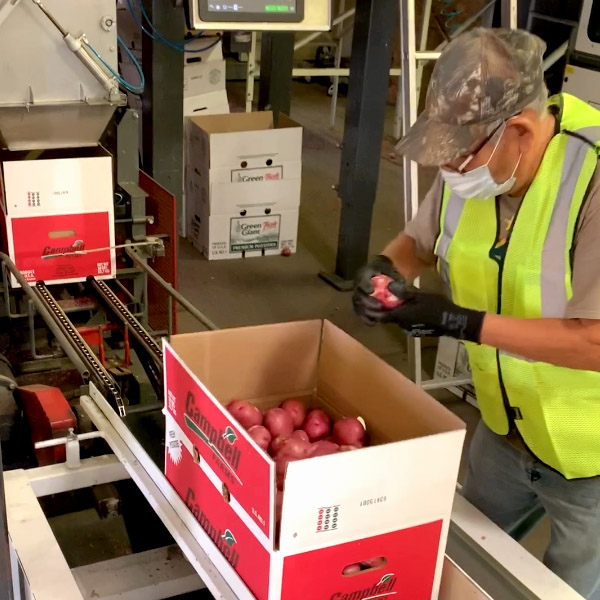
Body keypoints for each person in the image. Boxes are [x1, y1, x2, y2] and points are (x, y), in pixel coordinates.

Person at [352, 27, 600, 600]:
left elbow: (592, 343)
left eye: (460, 152)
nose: (452, 170)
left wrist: (463, 323)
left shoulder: (591, 179)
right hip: (504, 428)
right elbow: (419, 239)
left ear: (518, 131)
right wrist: (383, 269)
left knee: (566, 589)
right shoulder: (477, 171)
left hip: (589, 458)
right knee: (461, 564)